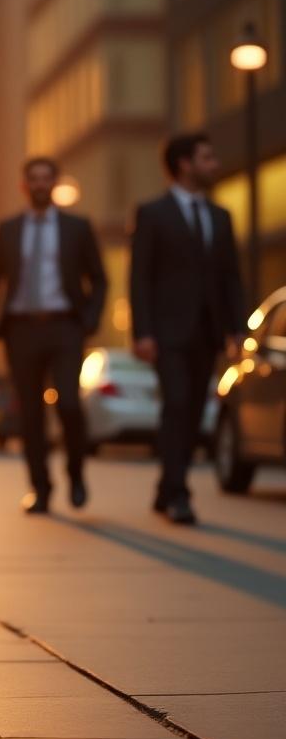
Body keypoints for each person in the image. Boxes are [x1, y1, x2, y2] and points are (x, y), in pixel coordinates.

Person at [0, 157, 108, 514]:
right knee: (30, 414)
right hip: (20, 329)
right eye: (33, 180)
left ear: (54, 184)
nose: (39, 185)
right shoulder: (8, 229)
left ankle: (76, 474)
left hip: (66, 326)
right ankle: (40, 488)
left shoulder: (77, 228)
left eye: (45, 179)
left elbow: (99, 278)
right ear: (25, 186)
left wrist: (91, 319)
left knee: (68, 402)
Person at [130, 133, 246, 525]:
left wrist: (238, 329)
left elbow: (231, 277)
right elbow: (140, 278)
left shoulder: (221, 216)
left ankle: (166, 488)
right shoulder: (152, 213)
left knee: (193, 411)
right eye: (207, 158)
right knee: (177, 404)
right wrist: (142, 332)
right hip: (167, 333)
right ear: (184, 164)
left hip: (208, 332)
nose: (214, 164)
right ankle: (179, 494)